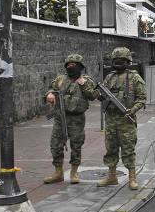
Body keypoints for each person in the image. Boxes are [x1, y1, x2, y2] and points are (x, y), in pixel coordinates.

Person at [43, 54, 98, 184]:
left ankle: (74, 172)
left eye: (73, 65)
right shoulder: (61, 79)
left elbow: (93, 95)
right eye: (68, 65)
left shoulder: (87, 80)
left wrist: (83, 85)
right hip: (60, 117)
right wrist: (50, 94)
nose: (70, 67)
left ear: (80, 67)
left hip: (77, 119)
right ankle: (58, 172)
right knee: (55, 145)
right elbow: (51, 89)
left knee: (76, 145)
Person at [98, 47, 146, 189]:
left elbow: (142, 98)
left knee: (128, 150)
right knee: (110, 149)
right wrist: (100, 96)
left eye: (122, 61)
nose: (119, 63)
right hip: (111, 120)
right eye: (116, 61)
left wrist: (133, 110)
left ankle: (132, 178)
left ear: (128, 62)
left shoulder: (134, 77)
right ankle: (112, 177)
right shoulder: (109, 77)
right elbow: (102, 95)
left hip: (126, 121)